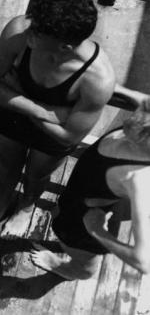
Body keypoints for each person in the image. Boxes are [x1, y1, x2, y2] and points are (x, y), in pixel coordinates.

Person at [0, 0, 115, 242]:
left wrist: (16, 92)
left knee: (36, 176)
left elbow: (67, 137)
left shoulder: (97, 80)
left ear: (65, 46)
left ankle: (26, 207)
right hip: (14, 116)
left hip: (48, 137)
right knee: (6, 168)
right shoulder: (21, 30)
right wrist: (44, 111)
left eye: (37, 33)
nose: (28, 32)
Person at [30, 101, 150, 279]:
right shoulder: (137, 130)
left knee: (85, 268)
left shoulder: (138, 178)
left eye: (144, 125)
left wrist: (96, 230)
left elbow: (143, 262)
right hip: (77, 196)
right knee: (60, 217)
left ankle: (64, 269)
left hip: (85, 221)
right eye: (145, 108)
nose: (135, 117)